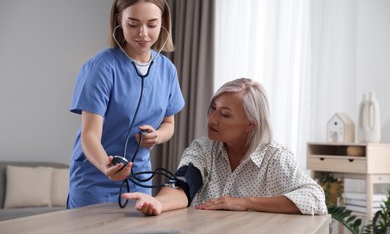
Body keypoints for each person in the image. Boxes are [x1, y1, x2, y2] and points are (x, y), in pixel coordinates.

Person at [122, 78, 327, 215]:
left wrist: (245, 203)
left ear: (250, 124)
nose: (211, 119)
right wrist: (159, 203)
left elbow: (314, 198)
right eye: (213, 108)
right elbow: (184, 184)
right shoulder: (203, 149)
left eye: (225, 114)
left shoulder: (275, 157)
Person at [67, 0, 185, 209]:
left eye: (152, 25)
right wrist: (106, 167)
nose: (143, 34)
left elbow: (169, 124)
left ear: (163, 23)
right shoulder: (100, 68)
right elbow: (89, 135)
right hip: (95, 179)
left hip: (139, 179)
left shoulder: (167, 70)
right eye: (133, 24)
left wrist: (157, 136)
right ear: (119, 20)